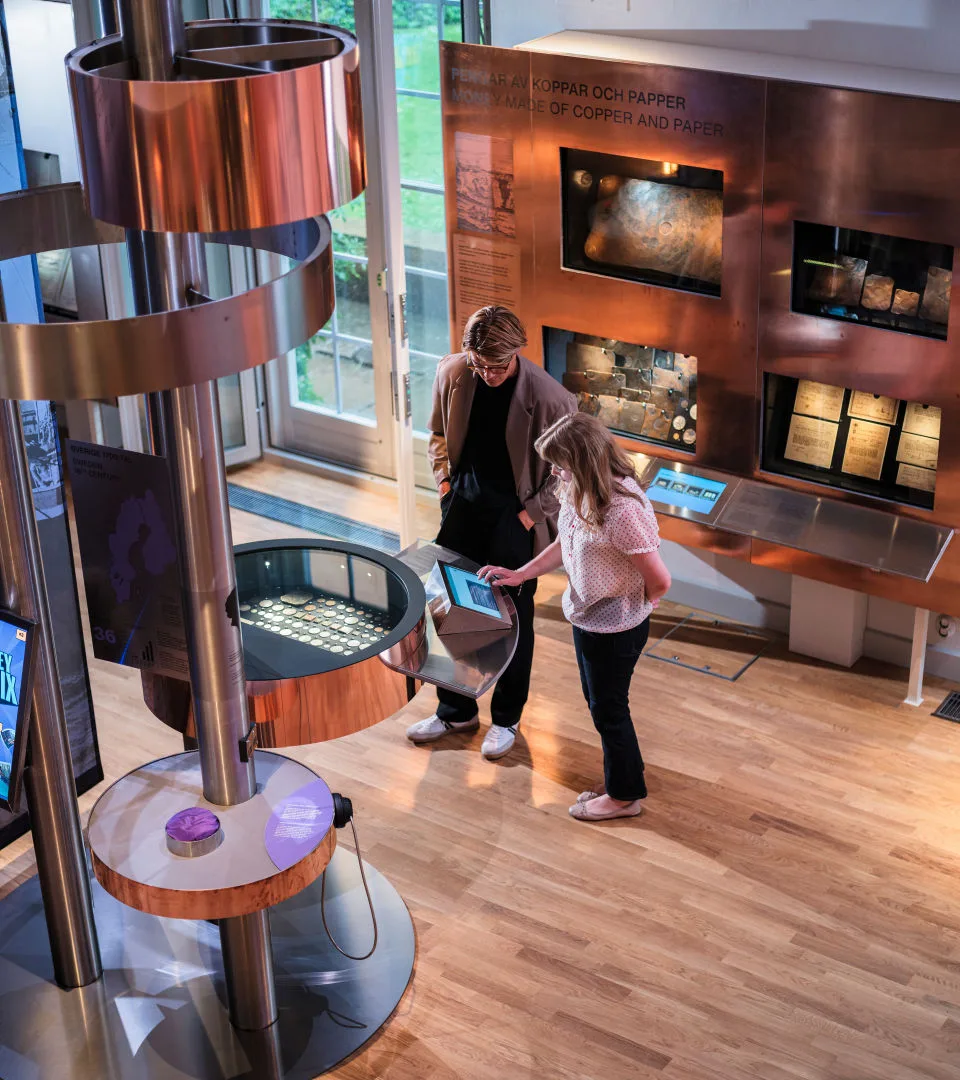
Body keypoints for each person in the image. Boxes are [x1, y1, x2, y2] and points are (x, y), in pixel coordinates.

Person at [478, 411, 671, 821]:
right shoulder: (579, 489)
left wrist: (641, 607)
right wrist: (520, 574)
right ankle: (623, 777)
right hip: (588, 619)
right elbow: (567, 538)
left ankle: (624, 797)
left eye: (560, 464)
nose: (554, 471)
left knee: (609, 709)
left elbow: (660, 580)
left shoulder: (621, 510)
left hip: (616, 628)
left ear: (581, 462)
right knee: (601, 704)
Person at [406, 306, 576, 760]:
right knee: (450, 609)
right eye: (480, 364)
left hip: (514, 518)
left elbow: (567, 477)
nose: (488, 374)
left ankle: (507, 719)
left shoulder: (552, 400)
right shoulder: (455, 371)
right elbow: (438, 435)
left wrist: (528, 516)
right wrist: (445, 484)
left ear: (516, 354)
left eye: (497, 367)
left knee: (511, 621)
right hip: (461, 504)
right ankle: (455, 709)